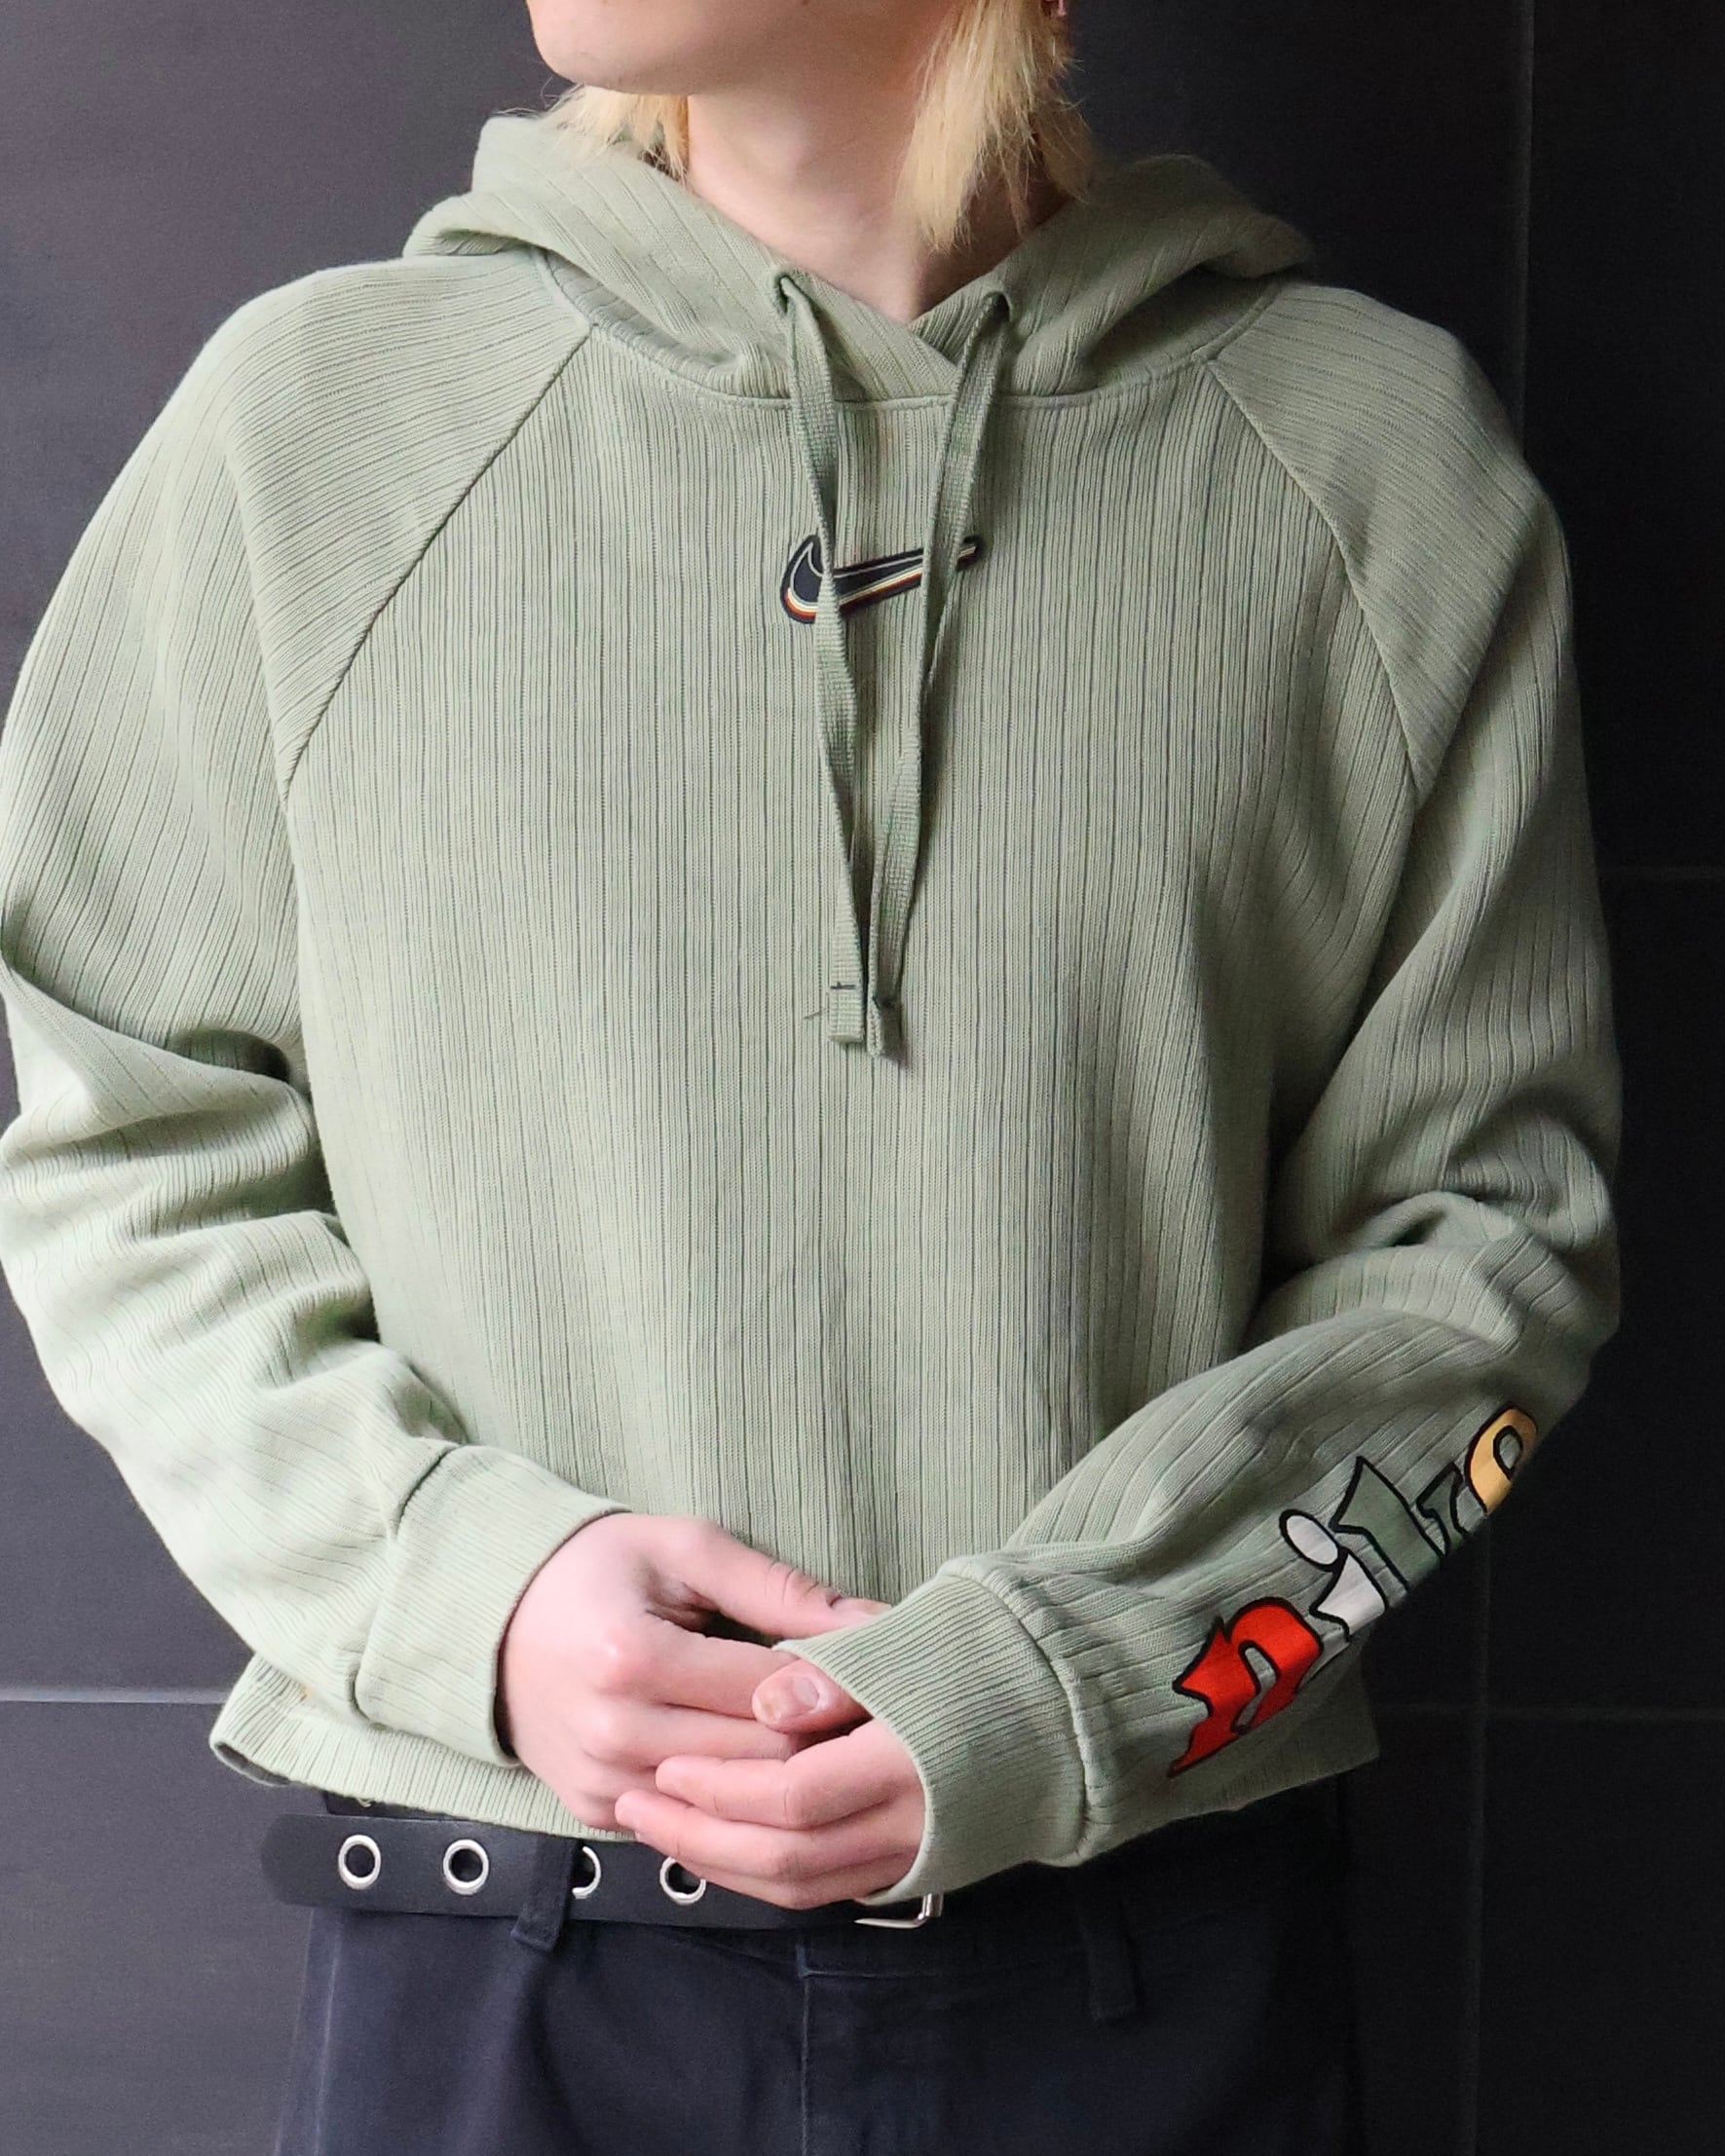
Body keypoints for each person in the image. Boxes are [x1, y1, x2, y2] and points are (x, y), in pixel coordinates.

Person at [0, 1, 1622, 2150]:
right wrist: (466, 1590)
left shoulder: (1371, 465)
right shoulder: (313, 434)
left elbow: (1491, 1254)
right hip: (496, 1947)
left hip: (1149, 1951)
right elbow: (114, 1142)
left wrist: (1073, 1674)